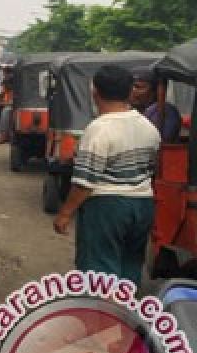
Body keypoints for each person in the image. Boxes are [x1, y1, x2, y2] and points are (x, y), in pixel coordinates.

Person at [53, 65, 161, 285]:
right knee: (130, 267)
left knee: (99, 272)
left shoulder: (99, 129)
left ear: (95, 92)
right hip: (142, 205)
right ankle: (124, 315)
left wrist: (65, 213)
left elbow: (85, 182)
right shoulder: (148, 127)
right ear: (130, 91)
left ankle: (101, 317)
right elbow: (153, 167)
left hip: (108, 207)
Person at [130, 66, 182, 143]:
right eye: (131, 87)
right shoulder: (132, 110)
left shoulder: (167, 111)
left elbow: (163, 140)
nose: (132, 91)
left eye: (139, 87)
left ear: (154, 91)